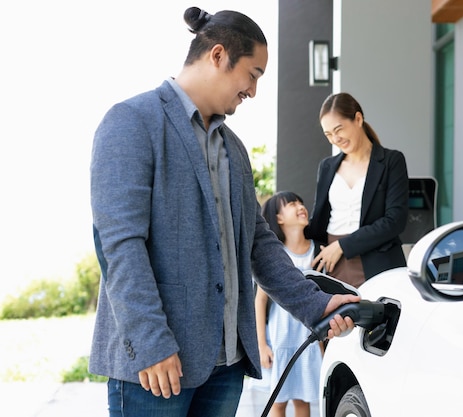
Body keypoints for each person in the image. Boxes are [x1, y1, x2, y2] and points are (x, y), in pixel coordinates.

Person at [89, 7, 358, 417]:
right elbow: (119, 247)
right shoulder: (131, 122)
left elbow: (259, 245)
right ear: (218, 55)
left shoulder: (233, 149)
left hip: (226, 367)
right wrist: (151, 344)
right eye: (253, 74)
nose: (253, 90)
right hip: (158, 368)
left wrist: (315, 305)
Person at [306, 92, 409, 288]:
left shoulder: (391, 161)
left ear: (358, 119)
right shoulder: (327, 167)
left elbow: (395, 220)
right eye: (328, 134)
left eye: (339, 130)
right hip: (333, 262)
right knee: (339, 318)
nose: (335, 139)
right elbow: (319, 220)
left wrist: (343, 246)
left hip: (378, 261)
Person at [254, 191, 324, 417]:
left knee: (303, 400)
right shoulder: (276, 255)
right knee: (278, 401)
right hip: (280, 339)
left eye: (301, 201)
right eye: (292, 204)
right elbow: (260, 301)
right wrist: (262, 345)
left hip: (308, 340)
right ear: (279, 218)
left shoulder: (319, 252)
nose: (300, 206)